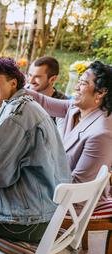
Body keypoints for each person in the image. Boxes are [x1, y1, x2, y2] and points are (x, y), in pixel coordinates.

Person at [0, 57, 71, 242]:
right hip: (48, 209)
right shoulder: (27, 105)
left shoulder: (15, 115)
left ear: (13, 82)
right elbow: (19, 153)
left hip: (28, 220)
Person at [26, 60, 112, 209]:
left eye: (83, 83)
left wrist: (30, 173)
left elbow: (77, 187)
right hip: (55, 189)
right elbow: (43, 102)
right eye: (78, 81)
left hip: (72, 206)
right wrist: (11, 87)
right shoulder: (76, 108)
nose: (76, 87)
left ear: (101, 92)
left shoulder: (101, 134)